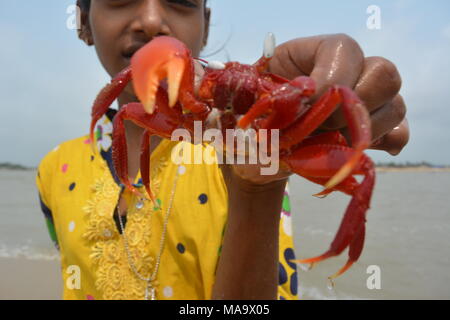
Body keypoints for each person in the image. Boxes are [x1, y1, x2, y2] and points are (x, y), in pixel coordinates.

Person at [36, 0, 409, 300]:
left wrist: (256, 187)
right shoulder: (53, 170)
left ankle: (338, 258)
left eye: (181, 1)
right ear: (82, 22)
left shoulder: (248, 154)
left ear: (206, 23)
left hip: (257, 142)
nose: (151, 21)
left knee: (364, 169)